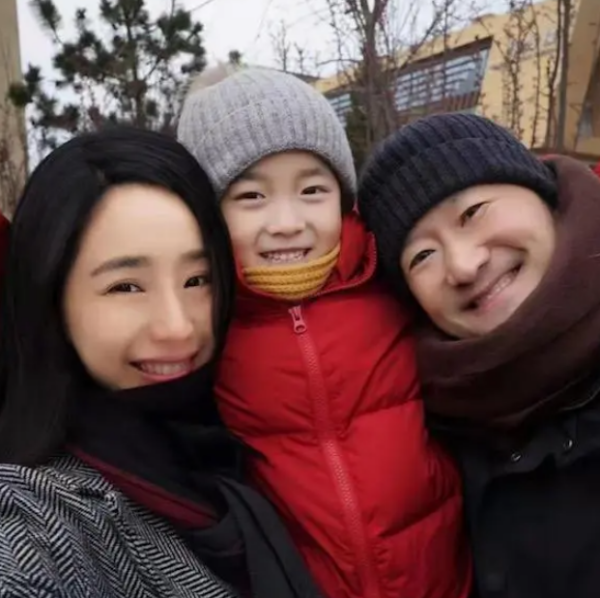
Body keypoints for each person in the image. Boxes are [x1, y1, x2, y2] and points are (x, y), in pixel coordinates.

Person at [178, 68, 471, 598]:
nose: (288, 222)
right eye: (252, 196)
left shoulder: (392, 282)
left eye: (312, 190)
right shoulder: (203, 326)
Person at [0, 126, 323, 598]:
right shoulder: (37, 518)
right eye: (126, 286)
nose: (178, 327)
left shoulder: (255, 436)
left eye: (198, 279)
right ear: (50, 300)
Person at [358, 111, 600, 598]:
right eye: (422, 256)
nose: (464, 266)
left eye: (473, 213)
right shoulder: (435, 439)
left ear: (540, 193)